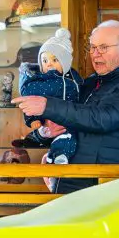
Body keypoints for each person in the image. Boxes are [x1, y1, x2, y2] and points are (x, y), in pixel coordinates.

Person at [13, 20, 119, 195]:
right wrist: (44, 134)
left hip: (105, 186)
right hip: (72, 180)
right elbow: (69, 121)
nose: (95, 54)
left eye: (103, 47)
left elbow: (100, 119)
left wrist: (47, 105)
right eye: (92, 47)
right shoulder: (90, 82)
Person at [16, 27, 83, 165]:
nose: (49, 64)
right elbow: (30, 101)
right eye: (45, 61)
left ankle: (57, 157)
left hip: (70, 122)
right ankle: (51, 156)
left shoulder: (74, 79)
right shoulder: (40, 82)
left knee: (68, 138)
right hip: (49, 122)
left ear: (65, 62)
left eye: (55, 60)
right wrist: (33, 119)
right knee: (59, 136)